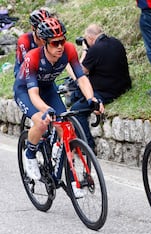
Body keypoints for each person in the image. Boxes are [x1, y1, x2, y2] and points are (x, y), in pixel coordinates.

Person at [13, 17, 103, 196]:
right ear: (45, 43)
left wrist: (92, 99)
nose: (60, 46)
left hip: (48, 89)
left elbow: (81, 78)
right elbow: (33, 95)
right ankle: (30, 155)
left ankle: (72, 181)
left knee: (67, 130)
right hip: (26, 91)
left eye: (62, 40)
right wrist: (45, 110)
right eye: (55, 43)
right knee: (41, 121)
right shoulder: (33, 57)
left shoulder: (69, 50)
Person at [70, 24, 132, 152]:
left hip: (105, 92)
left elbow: (80, 72)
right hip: (122, 86)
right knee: (77, 95)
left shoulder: (95, 50)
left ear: (89, 38)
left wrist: (85, 51)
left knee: (76, 110)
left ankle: (87, 146)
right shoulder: (116, 42)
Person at [13, 9, 51, 77]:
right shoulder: (24, 40)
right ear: (33, 27)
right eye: (41, 28)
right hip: (24, 72)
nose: (45, 32)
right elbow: (27, 64)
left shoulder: (50, 37)